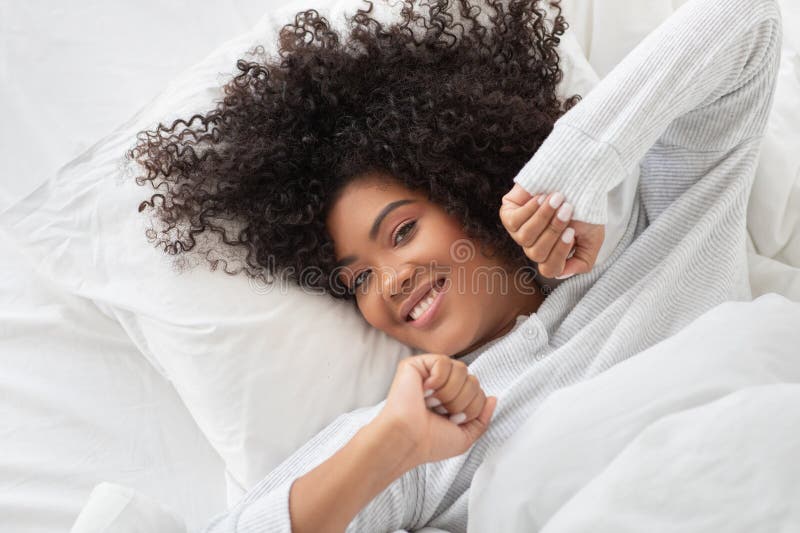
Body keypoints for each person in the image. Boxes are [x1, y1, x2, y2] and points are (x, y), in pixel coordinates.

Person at [129, 0, 782, 530]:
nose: (391, 279)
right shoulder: (426, 426)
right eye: (358, 277)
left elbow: (745, 21)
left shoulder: (666, 233)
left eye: (403, 230)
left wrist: (564, 180)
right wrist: (391, 443)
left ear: (471, 191)